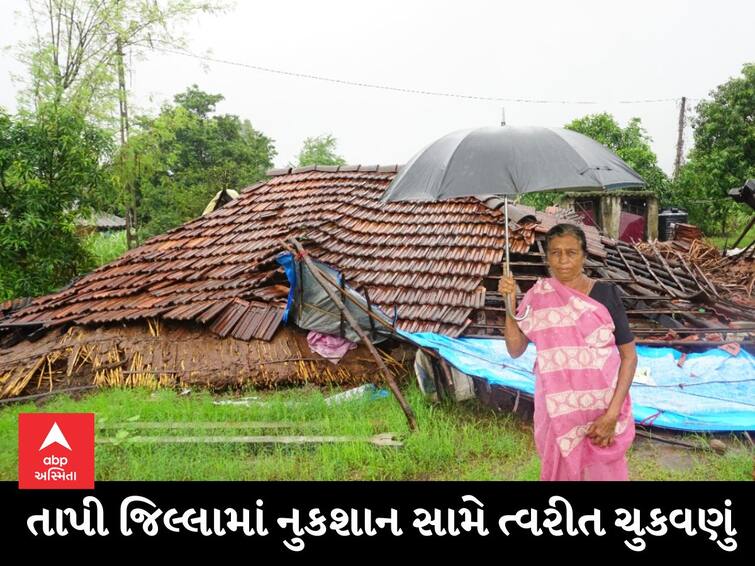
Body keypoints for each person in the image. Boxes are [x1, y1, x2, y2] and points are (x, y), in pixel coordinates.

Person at [499, 223, 637, 481]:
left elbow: (629, 357)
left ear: (584, 255)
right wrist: (509, 306)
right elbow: (515, 349)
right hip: (558, 411)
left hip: (602, 411)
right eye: (555, 252)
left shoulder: (605, 294)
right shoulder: (539, 296)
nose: (563, 261)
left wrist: (612, 413)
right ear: (547, 256)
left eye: (571, 253)